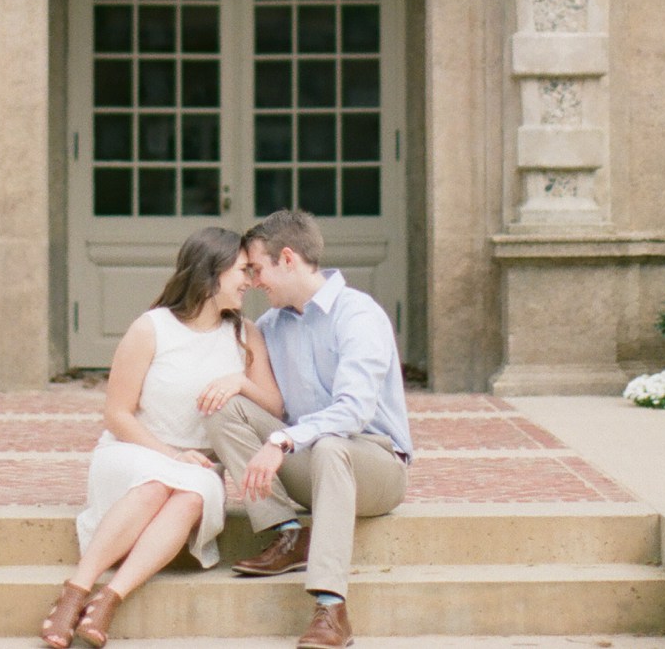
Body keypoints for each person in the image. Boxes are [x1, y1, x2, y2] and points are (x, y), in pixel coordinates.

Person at [42, 227, 285, 649]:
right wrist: (171, 455)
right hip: (134, 451)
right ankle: (75, 592)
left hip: (199, 467)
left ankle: (109, 600)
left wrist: (238, 382)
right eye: (242, 270)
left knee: (192, 494)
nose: (250, 280)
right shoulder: (151, 328)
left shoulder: (246, 334)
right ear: (212, 272)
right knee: (158, 484)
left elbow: (274, 408)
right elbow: (117, 415)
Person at [209, 210, 413, 649]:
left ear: (287, 259)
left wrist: (283, 438)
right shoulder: (271, 326)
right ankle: (288, 534)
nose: (255, 282)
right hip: (311, 465)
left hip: (375, 467)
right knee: (226, 409)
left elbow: (353, 411)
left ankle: (331, 607)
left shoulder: (358, 315)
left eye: (258, 269)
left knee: (331, 446)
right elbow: (270, 405)